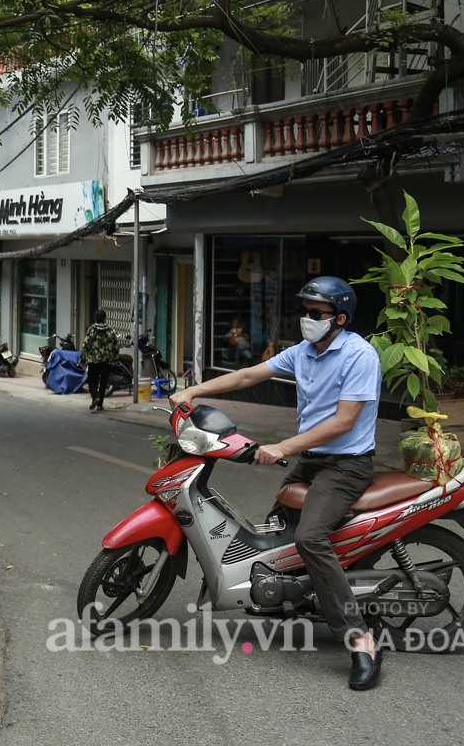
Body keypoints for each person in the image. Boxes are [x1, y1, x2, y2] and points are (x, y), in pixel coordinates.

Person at [169, 275, 384, 691]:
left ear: (340, 318)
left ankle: (360, 639)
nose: (307, 319)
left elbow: (343, 422)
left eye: (316, 313)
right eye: (304, 311)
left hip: (346, 466)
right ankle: (297, 598)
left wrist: (282, 446)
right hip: (313, 462)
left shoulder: (360, 356)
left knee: (310, 539)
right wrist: (194, 390)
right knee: (274, 534)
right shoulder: (304, 352)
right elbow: (248, 376)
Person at [80, 309, 120, 411]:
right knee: (103, 382)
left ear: (95, 319)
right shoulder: (110, 330)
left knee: (92, 381)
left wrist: (83, 360)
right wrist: (115, 358)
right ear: (105, 319)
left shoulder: (92, 330)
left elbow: (86, 345)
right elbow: (115, 345)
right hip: (106, 360)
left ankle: (95, 397)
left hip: (93, 360)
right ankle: (99, 405)